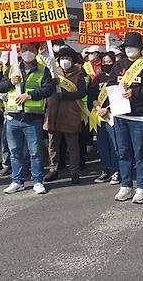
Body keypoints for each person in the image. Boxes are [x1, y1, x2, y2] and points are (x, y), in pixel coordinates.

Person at [106, 32, 143, 204]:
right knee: (123, 152)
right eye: (127, 47)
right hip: (121, 115)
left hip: (140, 117)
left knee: (140, 153)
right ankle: (126, 185)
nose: (130, 50)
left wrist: (134, 92)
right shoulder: (119, 64)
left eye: (133, 47)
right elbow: (110, 84)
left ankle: (142, 188)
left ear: (140, 48)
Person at [0, 42, 54, 194]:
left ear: (36, 51)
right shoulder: (12, 69)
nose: (27, 52)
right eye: (24, 50)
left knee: (35, 151)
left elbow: (49, 89)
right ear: (20, 52)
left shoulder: (43, 70)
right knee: (15, 151)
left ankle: (37, 181)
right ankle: (17, 181)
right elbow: (1, 87)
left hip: (33, 117)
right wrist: (11, 82)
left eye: (31, 49)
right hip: (13, 117)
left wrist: (30, 95)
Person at [44, 46, 86, 184]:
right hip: (53, 112)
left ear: (72, 60)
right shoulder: (53, 72)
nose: (64, 61)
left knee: (72, 146)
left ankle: (74, 172)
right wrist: (52, 83)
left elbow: (82, 92)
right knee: (53, 145)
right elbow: (44, 88)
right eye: (62, 58)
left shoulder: (79, 74)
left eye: (67, 58)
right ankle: (53, 169)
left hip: (70, 113)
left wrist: (67, 96)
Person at [92, 51, 120, 185]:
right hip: (99, 116)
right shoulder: (98, 78)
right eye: (104, 62)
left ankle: (116, 170)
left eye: (109, 62)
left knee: (115, 144)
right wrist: (98, 108)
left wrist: (107, 110)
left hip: (113, 115)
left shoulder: (118, 78)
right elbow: (92, 96)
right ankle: (105, 169)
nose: (106, 65)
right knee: (102, 144)